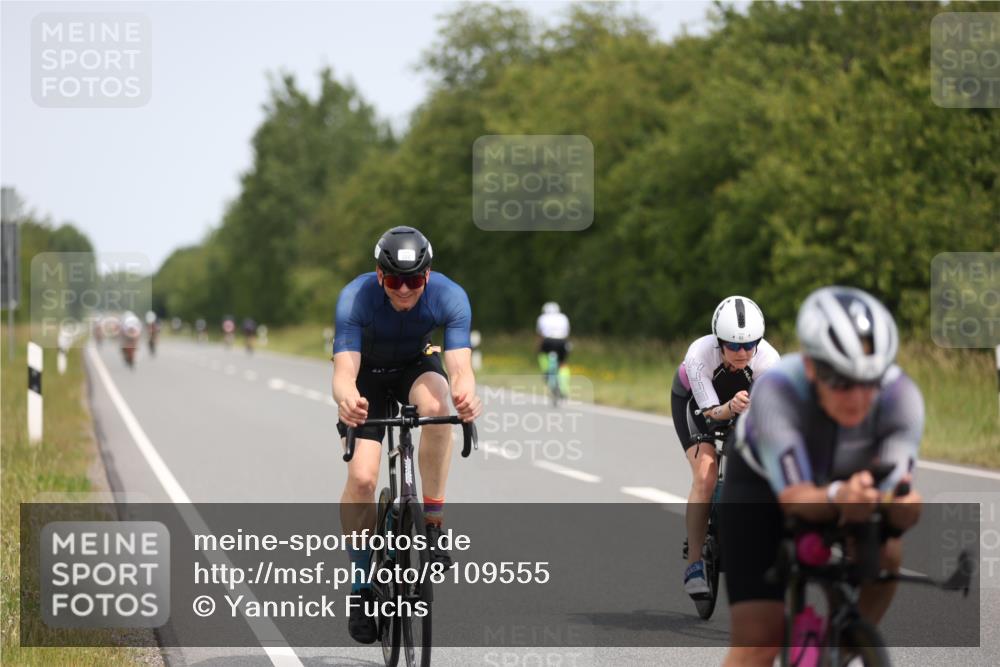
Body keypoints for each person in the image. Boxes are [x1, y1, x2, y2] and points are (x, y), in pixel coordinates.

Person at [719, 286, 924, 667]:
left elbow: (897, 499)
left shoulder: (901, 398)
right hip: (762, 484)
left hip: (842, 480)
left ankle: (841, 647)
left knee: (888, 552)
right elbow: (795, 498)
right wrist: (837, 497)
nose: (857, 398)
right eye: (842, 381)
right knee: (759, 641)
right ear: (812, 367)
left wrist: (902, 506)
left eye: (871, 381)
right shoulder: (777, 389)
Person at [332, 225, 482, 644]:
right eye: (394, 280)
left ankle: (432, 520)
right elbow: (343, 373)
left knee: (438, 408)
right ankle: (361, 586)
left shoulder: (450, 296)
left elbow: (460, 368)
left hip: (414, 366)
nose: (403, 290)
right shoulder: (355, 298)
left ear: (427, 275)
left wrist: (466, 395)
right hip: (367, 377)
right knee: (362, 478)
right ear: (379, 276)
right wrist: (347, 401)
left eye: (414, 280)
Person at [672, 296, 780, 598]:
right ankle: (694, 562)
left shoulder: (769, 361)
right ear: (719, 341)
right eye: (733, 345)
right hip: (697, 405)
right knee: (705, 475)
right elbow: (711, 414)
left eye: (750, 344)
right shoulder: (699, 355)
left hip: (743, 407)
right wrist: (731, 407)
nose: (743, 352)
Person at [536, 302, 571, 397]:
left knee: (542, 355)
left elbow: (540, 335)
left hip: (548, 341)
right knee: (563, 364)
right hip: (562, 342)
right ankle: (564, 389)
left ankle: (547, 371)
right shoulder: (563, 317)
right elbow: (566, 333)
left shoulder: (542, 318)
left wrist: (538, 349)